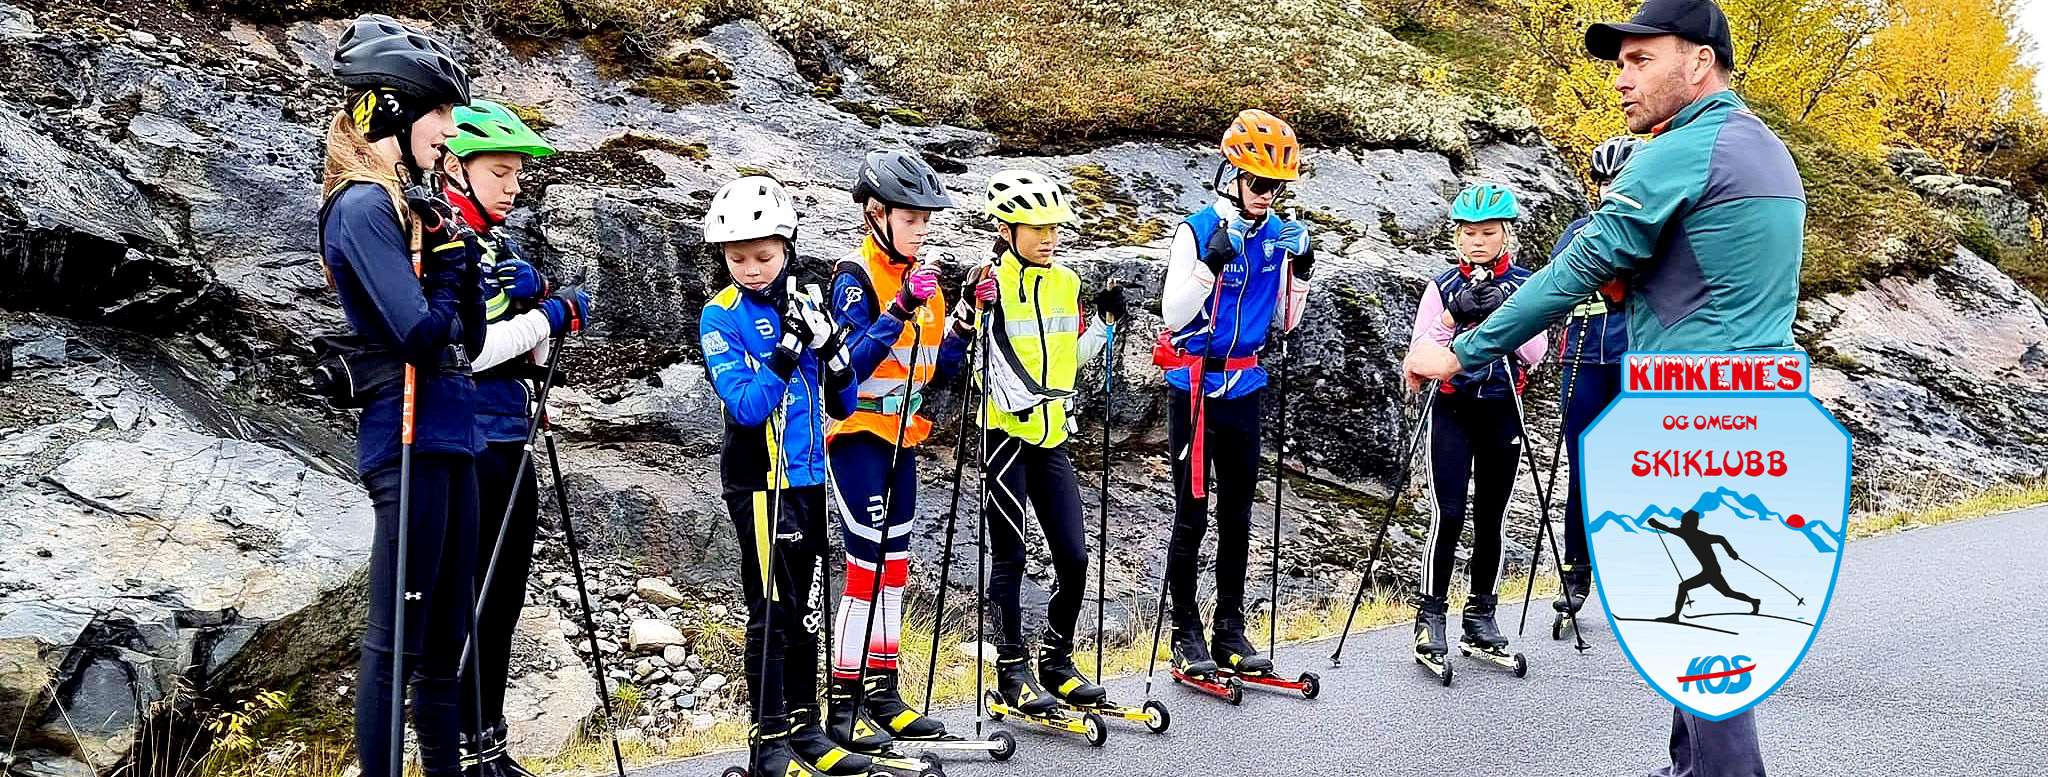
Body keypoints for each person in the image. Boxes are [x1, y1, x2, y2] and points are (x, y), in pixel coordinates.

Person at [1404, 0, 1800, 773]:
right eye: (1620, 63)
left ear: (1700, 60)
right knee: (1702, 606)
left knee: (1703, 623)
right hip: (1759, 402)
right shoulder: (1763, 148)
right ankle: (1689, 764)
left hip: (1694, 405)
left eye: (1641, 59)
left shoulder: (1681, 149)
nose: (1622, 78)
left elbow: (1578, 266)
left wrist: (1464, 352)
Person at [320, 15, 483, 777]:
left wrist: (464, 262)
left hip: (454, 428)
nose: (450, 129)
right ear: (392, 108)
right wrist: (447, 274)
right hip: (406, 429)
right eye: (440, 111)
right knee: (397, 640)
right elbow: (418, 333)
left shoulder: (411, 203)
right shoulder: (359, 206)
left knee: (448, 638)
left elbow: (467, 335)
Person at [700, 176, 871, 777]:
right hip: (759, 480)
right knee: (772, 609)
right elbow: (747, 407)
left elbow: (844, 404)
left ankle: (806, 728)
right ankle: (768, 742)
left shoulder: (806, 304)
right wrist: (787, 352)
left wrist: (833, 350)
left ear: (787, 248)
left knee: (806, 608)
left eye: (763, 256)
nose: (750, 269)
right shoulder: (720, 315)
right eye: (737, 258)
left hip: (808, 477)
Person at [440, 99, 592, 777]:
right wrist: (551, 315)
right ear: (456, 168)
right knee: (470, 599)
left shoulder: (497, 246)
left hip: (510, 430)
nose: (514, 186)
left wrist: (539, 306)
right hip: (469, 437)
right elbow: (470, 353)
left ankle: (489, 747)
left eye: (517, 174)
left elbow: (528, 353)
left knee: (502, 598)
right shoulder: (447, 241)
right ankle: (460, 753)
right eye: (500, 172)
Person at [1155, 109, 1314, 679]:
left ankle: (1229, 628)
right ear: (1231, 176)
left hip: (1245, 385)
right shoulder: (1196, 230)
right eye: (1257, 182)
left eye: (1275, 186)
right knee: (1193, 514)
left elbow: (1287, 322)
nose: (1266, 194)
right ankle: (1185, 632)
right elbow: (1174, 315)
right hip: (1195, 386)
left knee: (1239, 514)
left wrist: (1302, 269)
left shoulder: (1277, 236)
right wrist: (1208, 265)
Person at [824, 150, 971, 750]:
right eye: (911, 219)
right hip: (857, 436)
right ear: (876, 214)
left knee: (895, 567)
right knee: (865, 566)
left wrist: (965, 320)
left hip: (904, 438)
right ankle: (844, 704)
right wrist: (901, 307)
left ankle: (883, 693)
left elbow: (937, 368)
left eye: (926, 220)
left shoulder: (924, 281)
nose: (921, 229)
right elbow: (846, 366)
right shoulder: (854, 278)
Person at [968, 170, 1126, 715]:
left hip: (1052, 435)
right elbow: (974, 359)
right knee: (1010, 557)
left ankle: (1056, 662)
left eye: (1054, 227)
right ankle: (1012, 672)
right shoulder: (988, 284)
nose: (1049, 237)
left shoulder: (1066, 283)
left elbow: (1068, 360)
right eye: (1036, 228)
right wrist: (973, 309)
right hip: (1004, 436)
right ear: (1006, 231)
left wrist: (1103, 328)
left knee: (1075, 557)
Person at [1404, 183, 1548, 667]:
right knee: (1447, 514)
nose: (1478, 241)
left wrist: (1507, 313)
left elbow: (1536, 353)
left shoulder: (1526, 284)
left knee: (1492, 517)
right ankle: (1430, 616)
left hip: (1502, 409)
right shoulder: (1442, 285)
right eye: (1469, 233)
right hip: (1452, 409)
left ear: (1506, 234)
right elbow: (1420, 354)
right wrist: (1454, 314)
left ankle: (1481, 616)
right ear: (1457, 237)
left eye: (1488, 232)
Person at [1551, 135, 1642, 620]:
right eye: (1604, 181)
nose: (1610, 189)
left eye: (1620, 180)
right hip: (1582, 360)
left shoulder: (1653, 231)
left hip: (1636, 361)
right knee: (1583, 465)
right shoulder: (1578, 231)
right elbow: (1556, 286)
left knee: (1637, 464)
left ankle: (1636, 565)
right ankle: (1576, 570)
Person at [1646, 510, 1760, 620]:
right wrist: (1656, 524)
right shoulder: (1689, 533)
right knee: (1727, 593)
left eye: (1684, 521)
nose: (1681, 523)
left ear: (1691, 523)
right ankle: (1754, 601)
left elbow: (1721, 539)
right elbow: (1668, 529)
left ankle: (1675, 616)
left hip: (1710, 572)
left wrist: (1731, 552)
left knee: (1683, 587)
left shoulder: (1694, 534)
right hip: (1712, 571)